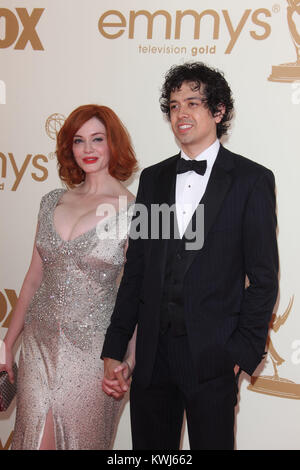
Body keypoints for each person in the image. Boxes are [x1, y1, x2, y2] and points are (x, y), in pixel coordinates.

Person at [101, 62, 279, 450]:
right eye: (174, 105)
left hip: (213, 359)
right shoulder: (154, 178)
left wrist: (238, 354)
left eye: (193, 103)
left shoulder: (252, 180)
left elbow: (263, 280)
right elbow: (137, 270)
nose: (181, 113)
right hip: (150, 361)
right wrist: (116, 348)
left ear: (218, 111)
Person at [0, 104, 137, 450]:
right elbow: (32, 279)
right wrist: (6, 344)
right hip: (37, 346)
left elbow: (138, 297)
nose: (88, 149)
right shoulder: (51, 201)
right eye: (79, 141)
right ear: (69, 147)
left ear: (113, 144)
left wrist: (128, 362)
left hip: (95, 355)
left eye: (97, 139)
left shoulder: (137, 211)